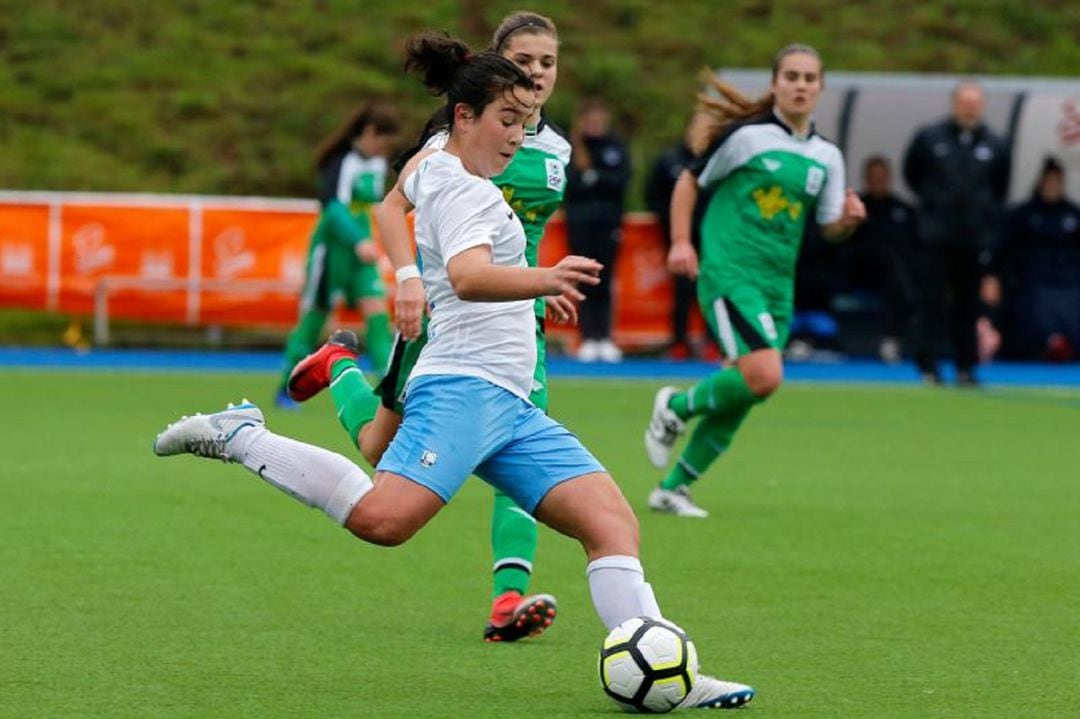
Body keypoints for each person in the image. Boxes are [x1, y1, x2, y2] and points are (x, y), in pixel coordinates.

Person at [153, 31, 754, 710]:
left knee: (612, 522)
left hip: (509, 400)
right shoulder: (460, 183)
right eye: (506, 122)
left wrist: (532, 283)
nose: (517, 138)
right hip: (463, 387)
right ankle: (243, 435)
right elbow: (467, 276)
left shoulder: (457, 172)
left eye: (525, 124)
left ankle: (665, 667)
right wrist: (540, 275)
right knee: (384, 518)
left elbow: (457, 253)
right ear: (464, 117)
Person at [287, 11, 577, 643]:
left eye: (547, 63)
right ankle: (338, 367)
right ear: (495, 66)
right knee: (376, 450)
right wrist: (408, 279)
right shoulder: (455, 130)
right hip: (442, 313)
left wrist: (540, 284)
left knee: (521, 452)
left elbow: (520, 237)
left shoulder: (557, 149)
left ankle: (508, 597)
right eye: (523, 62)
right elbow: (393, 208)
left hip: (512, 325)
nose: (536, 73)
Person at [644, 45, 866, 518]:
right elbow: (689, 180)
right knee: (764, 375)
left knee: (748, 386)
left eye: (810, 77)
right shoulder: (749, 138)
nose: (801, 85)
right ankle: (677, 406)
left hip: (776, 286)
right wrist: (682, 242)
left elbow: (829, 228)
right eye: (792, 76)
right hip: (730, 273)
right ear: (776, 83)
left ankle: (673, 488)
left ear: (820, 87)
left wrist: (848, 219)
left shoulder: (827, 156)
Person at [274, 102, 400, 407]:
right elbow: (332, 209)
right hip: (332, 253)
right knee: (313, 322)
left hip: (362, 255)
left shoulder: (377, 164)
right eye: (381, 140)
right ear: (369, 132)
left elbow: (372, 207)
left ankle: (389, 391)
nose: (383, 147)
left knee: (378, 317)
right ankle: (286, 387)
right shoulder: (342, 162)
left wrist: (372, 239)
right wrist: (357, 239)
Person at [902, 81, 1010, 386]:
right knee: (931, 302)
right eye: (965, 101)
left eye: (975, 102)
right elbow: (912, 175)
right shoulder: (930, 138)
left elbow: (999, 189)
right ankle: (928, 366)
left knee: (969, 305)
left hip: (974, 239)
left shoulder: (996, 144)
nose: (970, 107)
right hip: (935, 237)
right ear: (954, 103)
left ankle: (966, 367)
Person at [984, 156, 1080, 361]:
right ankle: (1049, 342)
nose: (1053, 186)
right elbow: (1002, 250)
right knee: (1035, 301)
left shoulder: (1074, 214)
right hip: (1032, 279)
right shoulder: (1022, 215)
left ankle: (1066, 344)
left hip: (1069, 280)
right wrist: (992, 276)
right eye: (1049, 181)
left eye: (1057, 182)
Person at [645, 112, 720, 361]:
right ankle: (678, 342)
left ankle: (714, 342)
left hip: (711, 239)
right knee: (682, 290)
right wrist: (670, 225)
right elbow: (653, 194)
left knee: (712, 289)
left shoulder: (718, 162)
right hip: (680, 237)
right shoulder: (671, 160)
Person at [565, 97, 631, 362]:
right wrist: (595, 181)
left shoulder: (616, 147)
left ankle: (605, 336)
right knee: (583, 279)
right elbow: (572, 185)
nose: (594, 125)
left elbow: (620, 181)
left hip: (608, 224)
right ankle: (588, 336)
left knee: (605, 279)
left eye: (598, 120)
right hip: (580, 223)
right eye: (589, 121)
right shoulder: (573, 149)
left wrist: (595, 179)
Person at [845, 156, 918, 363]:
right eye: (874, 177)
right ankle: (895, 334)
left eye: (882, 177)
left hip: (897, 276)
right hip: (862, 272)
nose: (878, 181)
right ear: (866, 179)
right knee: (892, 265)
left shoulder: (903, 210)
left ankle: (893, 338)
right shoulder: (856, 207)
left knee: (899, 271)